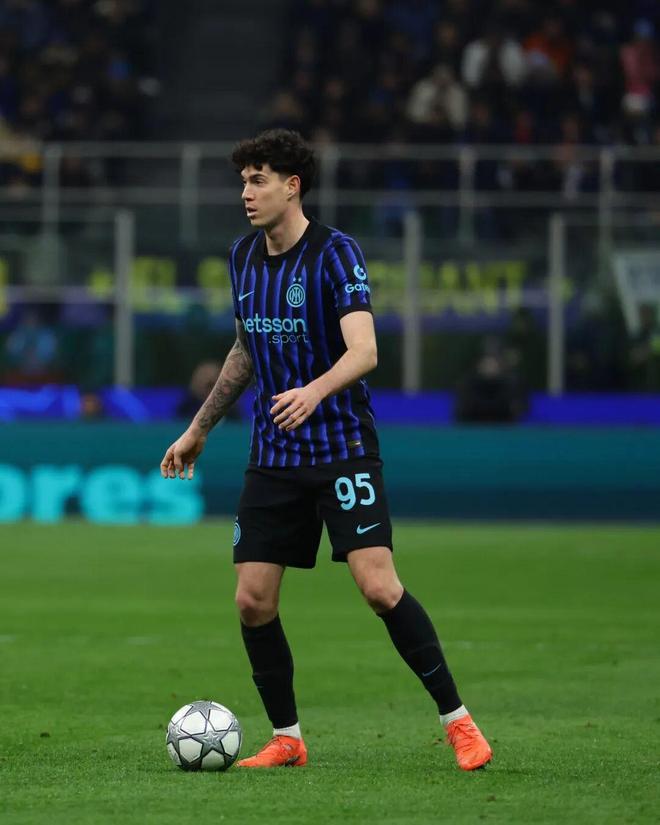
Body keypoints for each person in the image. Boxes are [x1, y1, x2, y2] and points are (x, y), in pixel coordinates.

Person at [160, 129, 492, 771]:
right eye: (243, 181)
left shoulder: (336, 254)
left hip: (341, 448)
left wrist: (313, 391)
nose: (246, 193)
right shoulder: (242, 257)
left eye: (258, 180)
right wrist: (200, 428)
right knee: (252, 600)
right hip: (274, 456)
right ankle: (287, 738)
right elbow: (244, 350)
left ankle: (459, 723)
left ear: (292, 186)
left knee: (379, 588)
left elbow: (365, 351)